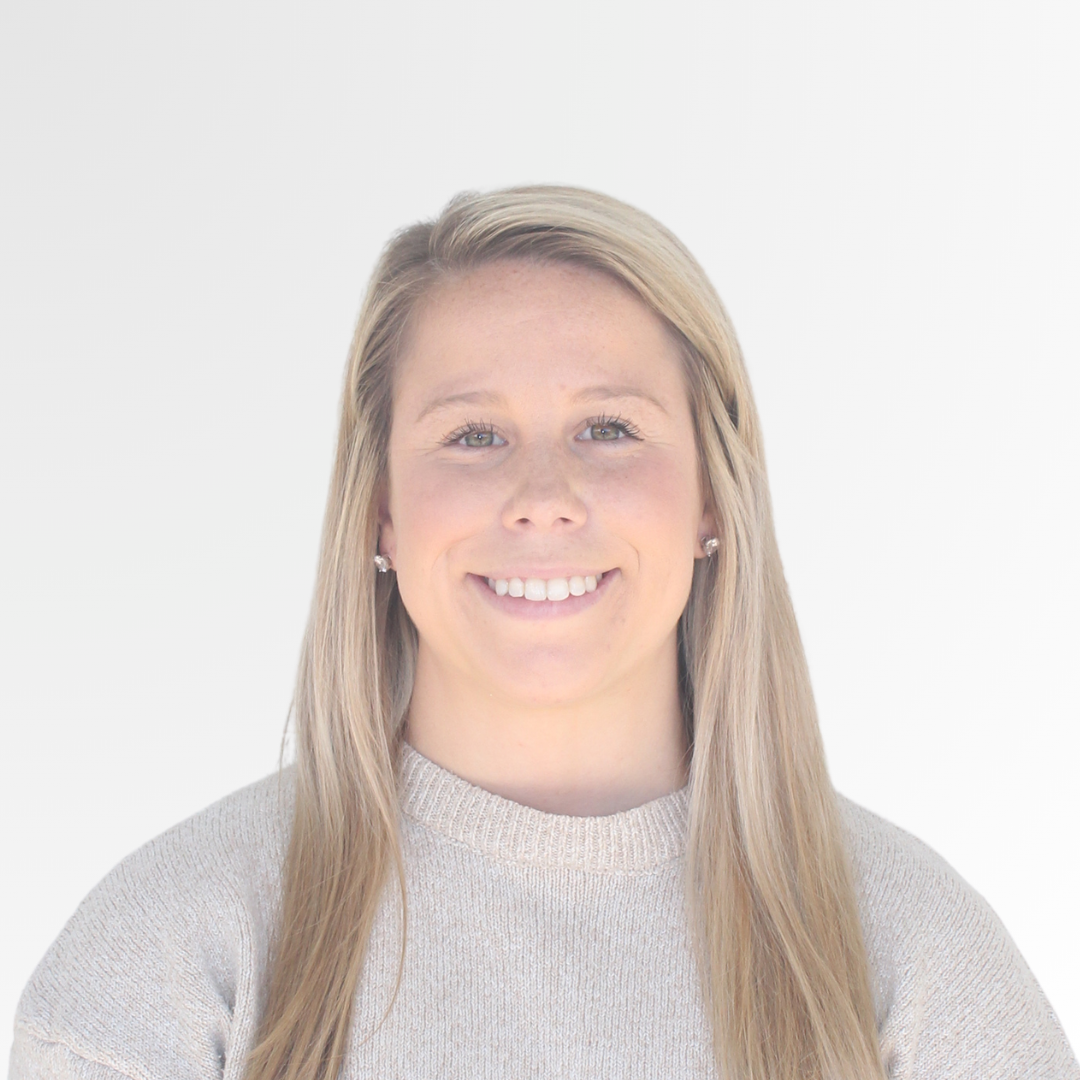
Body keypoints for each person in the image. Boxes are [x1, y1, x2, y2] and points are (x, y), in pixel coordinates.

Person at [9, 187, 1078, 1080]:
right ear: (379, 508)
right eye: (473, 434)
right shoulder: (172, 956)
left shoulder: (920, 966)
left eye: (608, 428)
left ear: (713, 496)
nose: (543, 496)